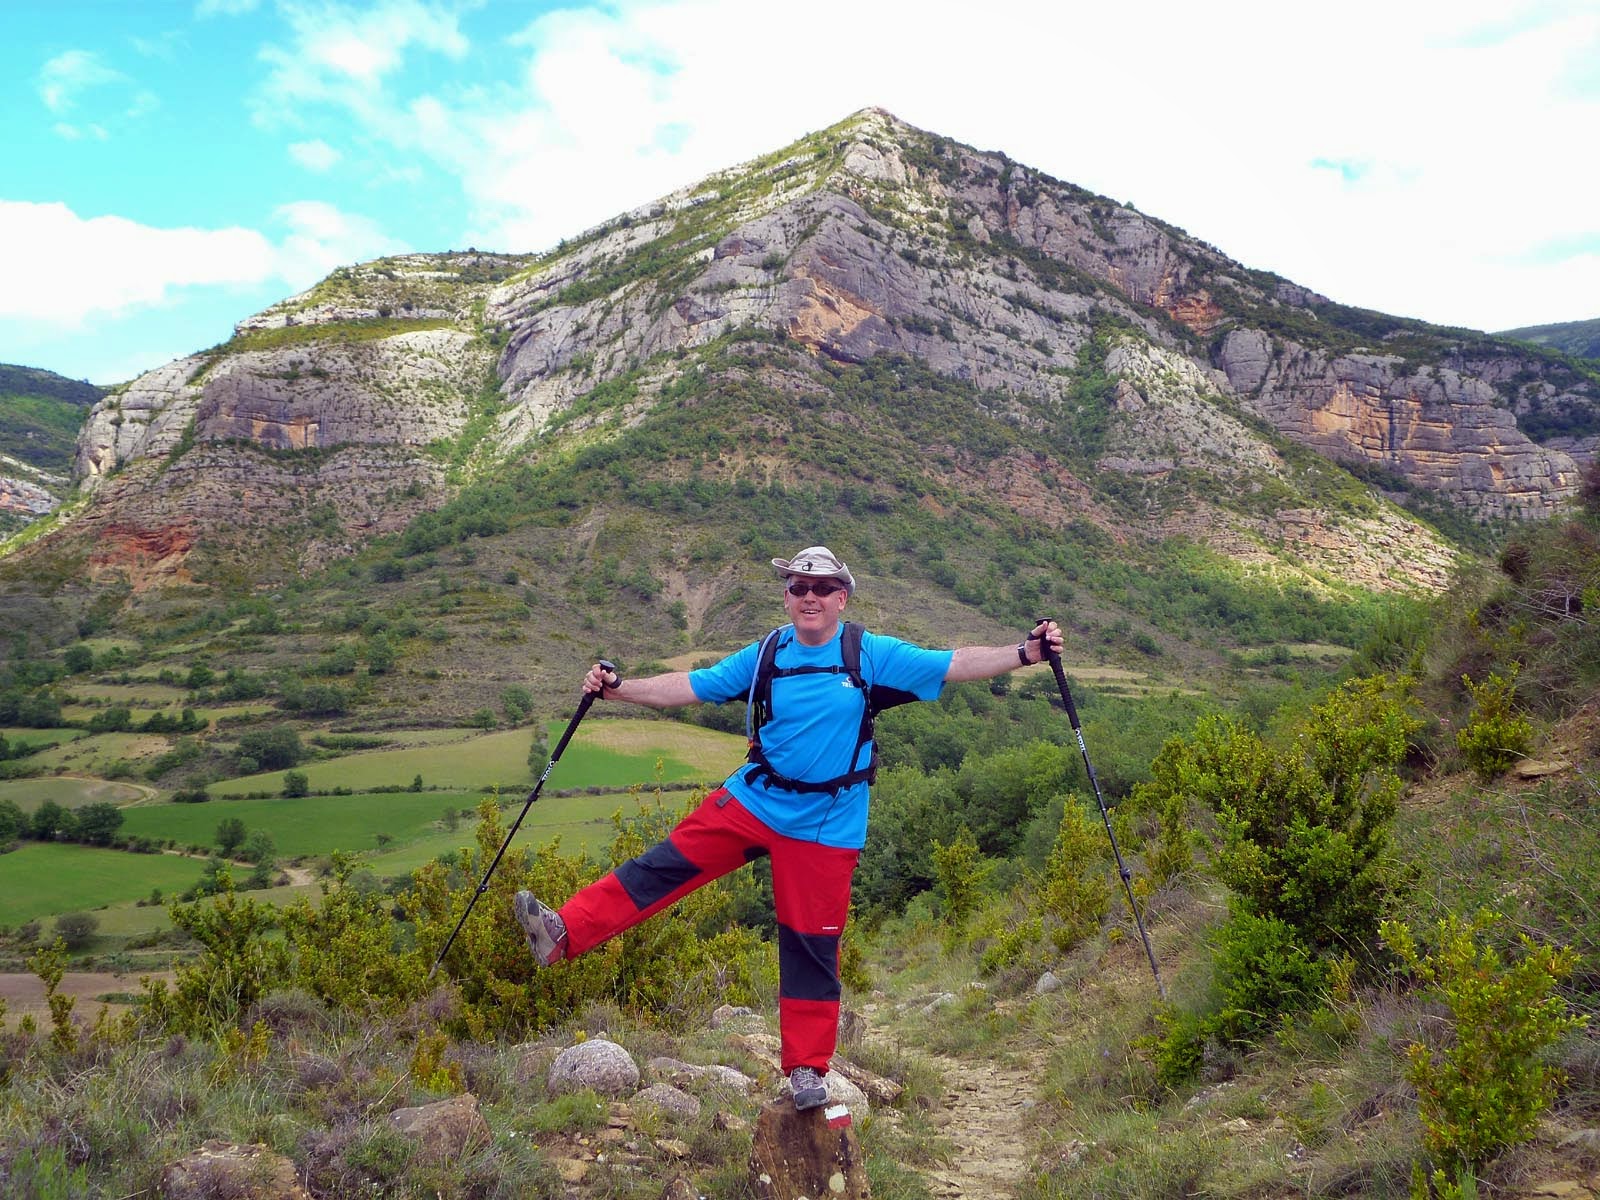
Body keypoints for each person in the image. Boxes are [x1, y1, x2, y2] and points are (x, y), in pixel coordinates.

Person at [515, 544, 1063, 1110]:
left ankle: (806, 1070)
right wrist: (619, 689)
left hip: (828, 820)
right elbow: (691, 685)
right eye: (798, 587)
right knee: (664, 863)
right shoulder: (767, 654)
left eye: (821, 588)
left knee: (810, 945)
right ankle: (563, 934)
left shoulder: (868, 654)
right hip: (757, 797)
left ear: (841, 598)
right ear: (786, 597)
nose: (809, 597)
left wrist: (1027, 652)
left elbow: (953, 663)